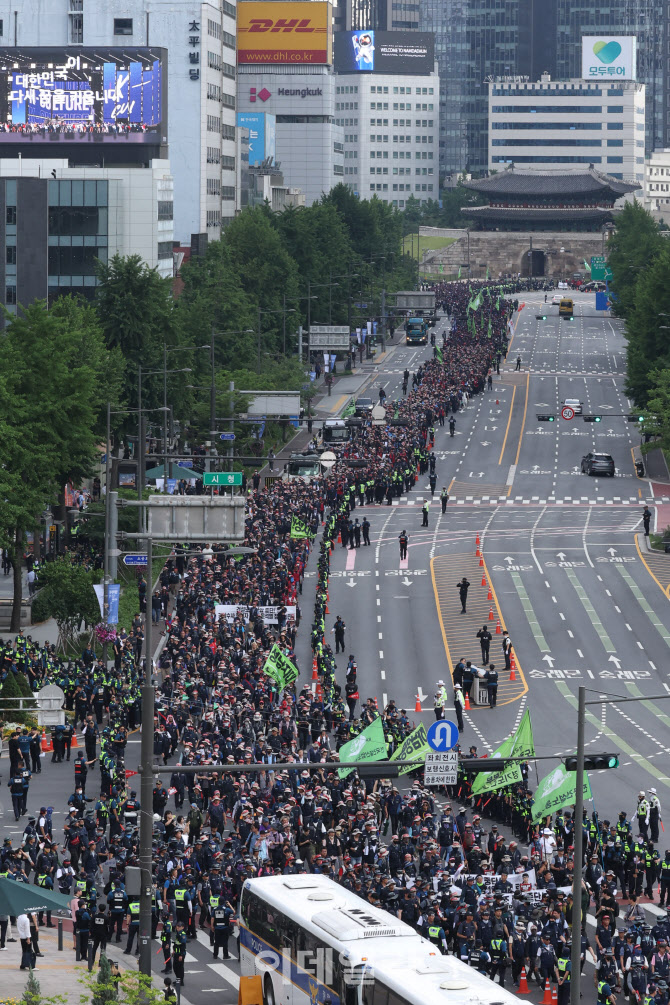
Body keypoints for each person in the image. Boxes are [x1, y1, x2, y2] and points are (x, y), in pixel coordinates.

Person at [172, 920, 187, 986]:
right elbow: (176, 943)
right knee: (175, 967)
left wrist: (181, 955)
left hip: (180, 954)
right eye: (177, 926)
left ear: (182, 927)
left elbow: (183, 945)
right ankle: (178, 979)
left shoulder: (182, 934)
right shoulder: (177, 933)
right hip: (176, 953)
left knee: (180, 968)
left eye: (179, 926)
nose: (177, 927)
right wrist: (174, 950)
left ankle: (181, 981)